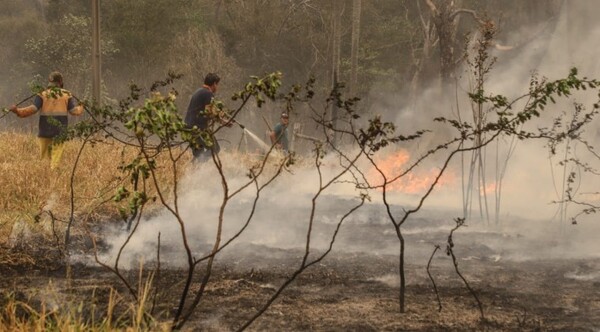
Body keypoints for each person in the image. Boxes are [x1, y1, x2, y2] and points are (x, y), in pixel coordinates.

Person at [10, 71, 83, 169]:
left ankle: (45, 178)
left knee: (44, 160)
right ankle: (54, 178)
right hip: (60, 132)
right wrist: (82, 106)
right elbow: (74, 111)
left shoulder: (42, 94)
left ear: (49, 81)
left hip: (44, 131)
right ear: (60, 82)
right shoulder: (66, 94)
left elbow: (33, 109)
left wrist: (17, 111)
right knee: (56, 159)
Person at [184, 72, 225, 163]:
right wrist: (223, 121)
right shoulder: (208, 94)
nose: (217, 88)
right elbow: (210, 113)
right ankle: (199, 163)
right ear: (214, 84)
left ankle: (193, 172)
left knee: (199, 152)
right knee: (215, 149)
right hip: (199, 128)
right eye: (217, 85)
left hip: (188, 128)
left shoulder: (198, 91)